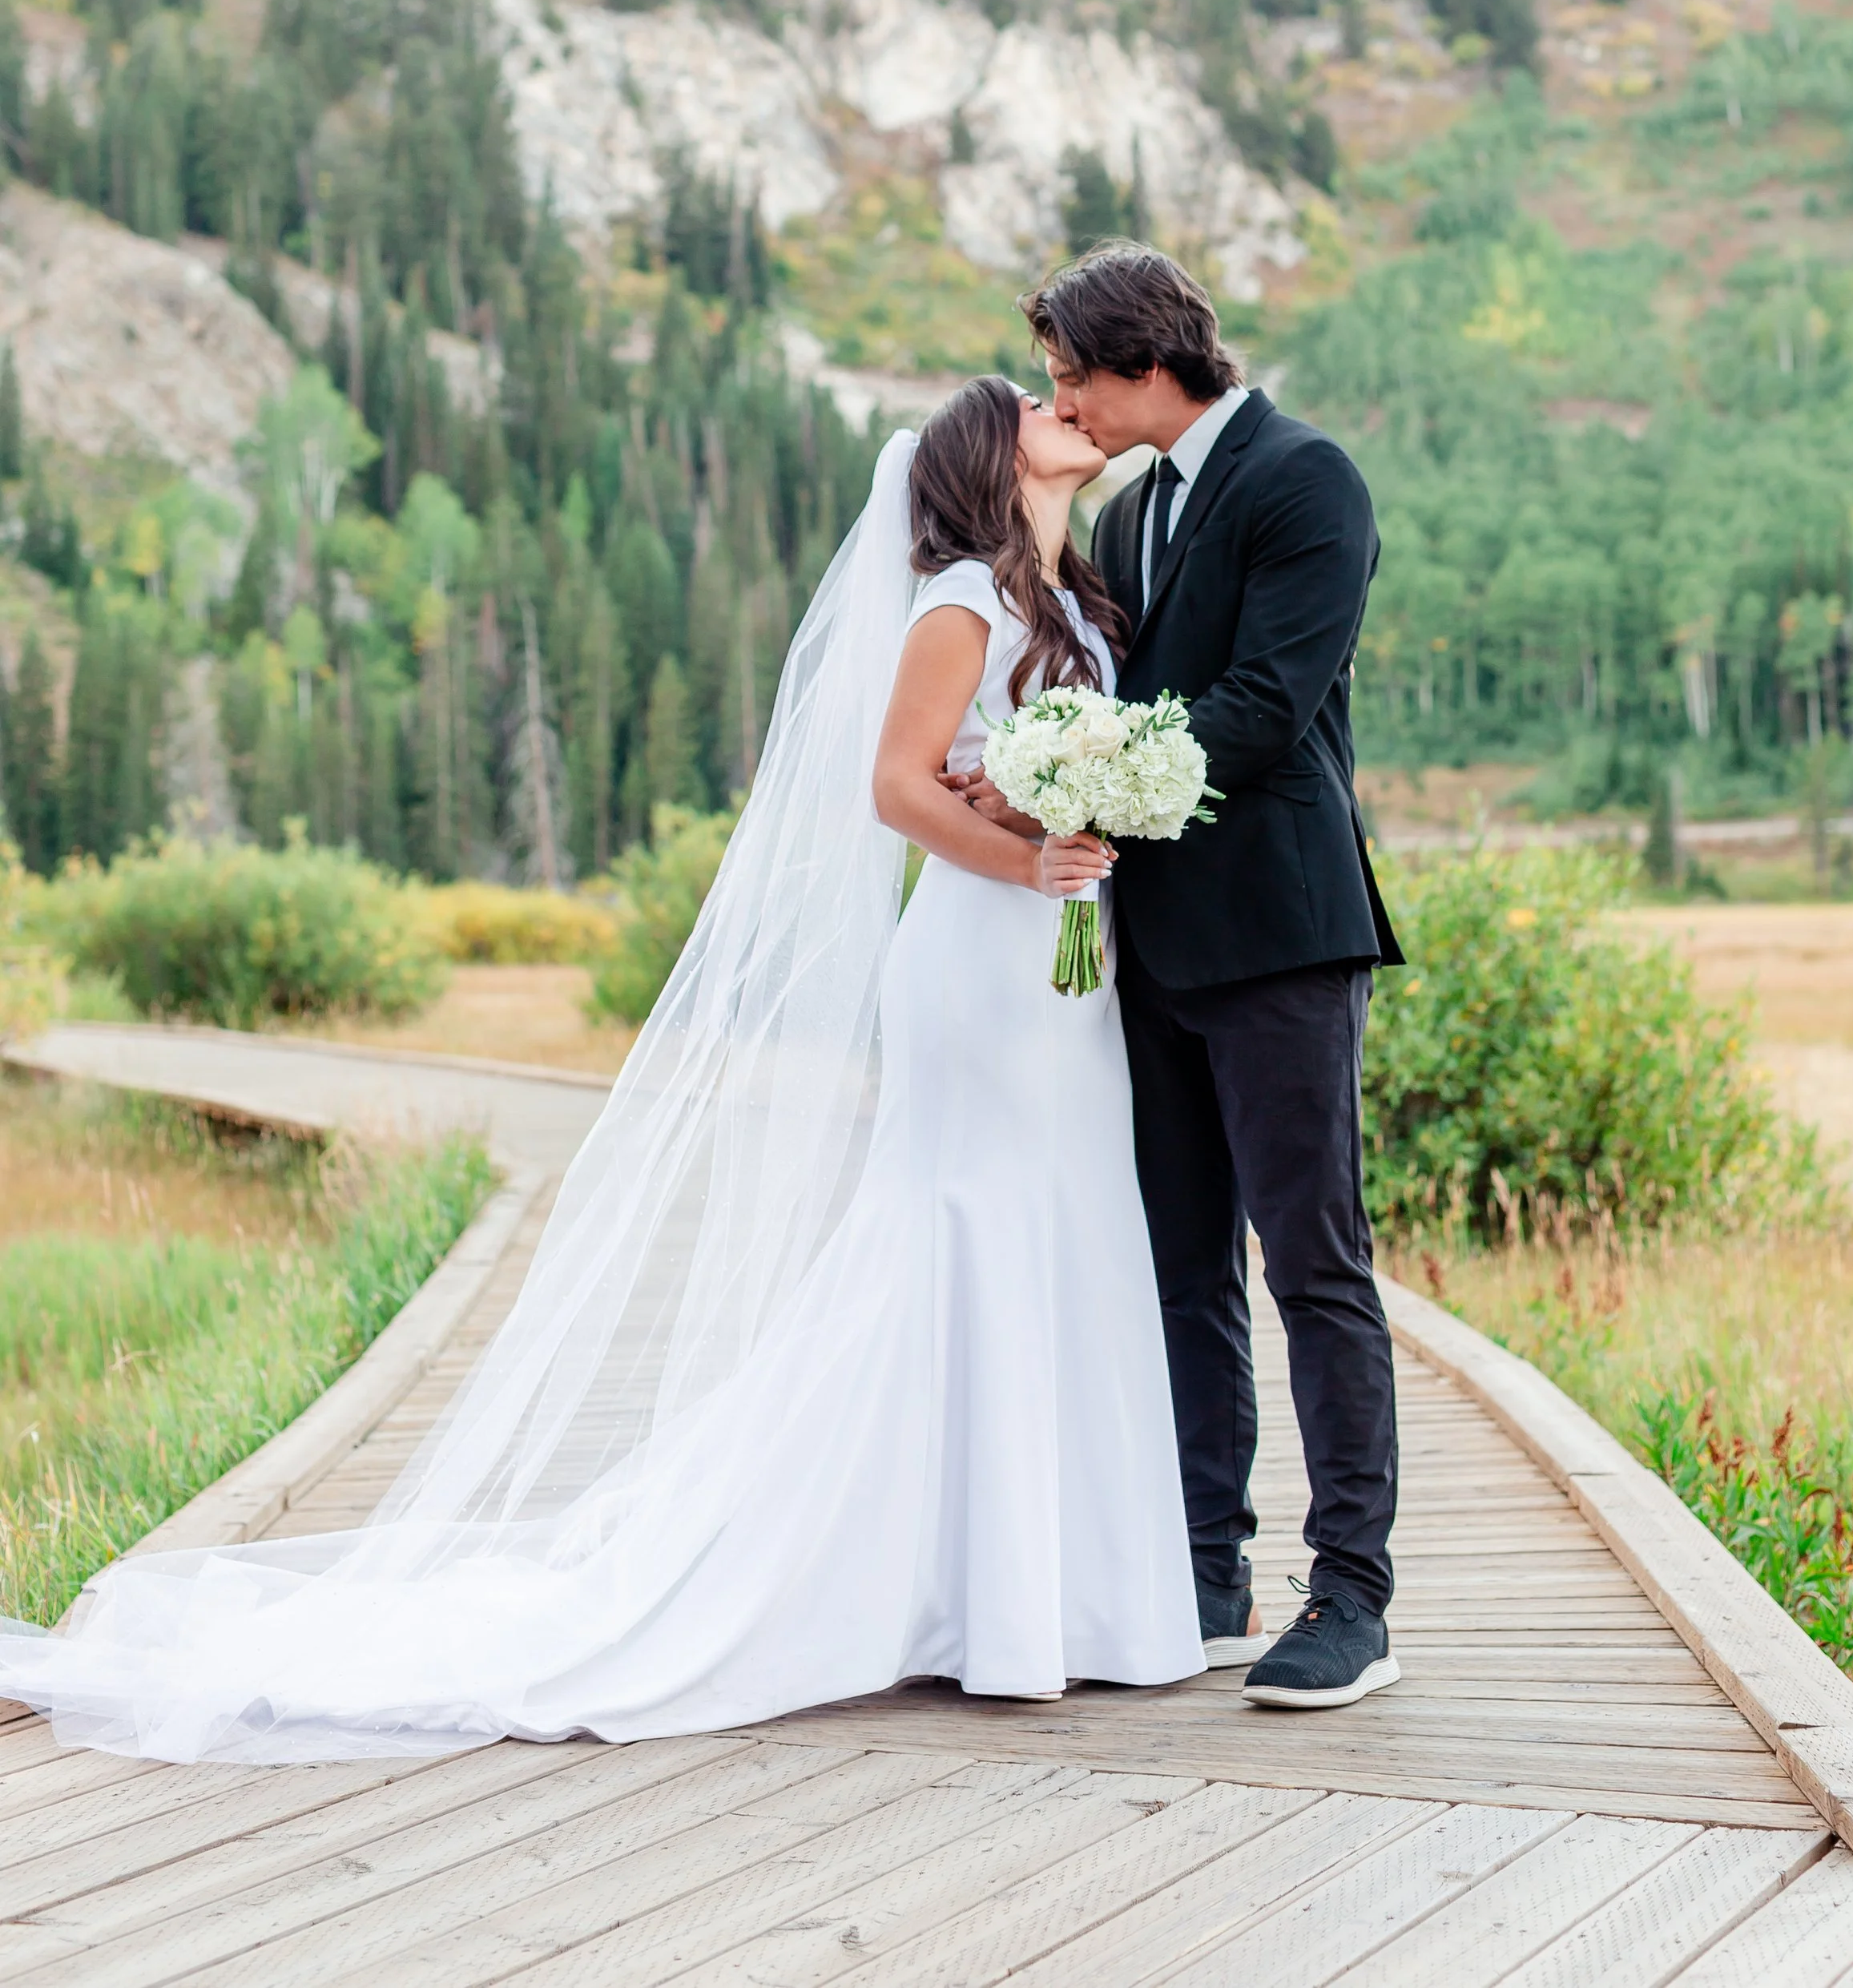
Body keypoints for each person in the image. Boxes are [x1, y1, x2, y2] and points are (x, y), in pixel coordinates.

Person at [0, 382, 1202, 1760]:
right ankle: (953, 1599)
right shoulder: (961, 603)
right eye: (1036, 406)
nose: (1068, 411)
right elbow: (895, 784)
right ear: (994, 459)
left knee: (1069, 1230)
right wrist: (1022, 848)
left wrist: (1067, 810)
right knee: (966, 1229)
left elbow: (1028, 770)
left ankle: (1065, 1597)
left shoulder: (1086, 607)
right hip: (980, 968)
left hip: (1068, 969)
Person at [1014, 242, 1404, 1712]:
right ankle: (1204, 1571)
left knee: (1314, 1265)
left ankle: (1353, 1598)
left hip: (1284, 939)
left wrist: (1088, 784)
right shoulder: (1138, 508)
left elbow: (1259, 708)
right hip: (1156, 947)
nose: (1065, 400)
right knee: (1183, 1270)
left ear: (1147, 363)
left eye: (1074, 376)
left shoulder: (1310, 481)